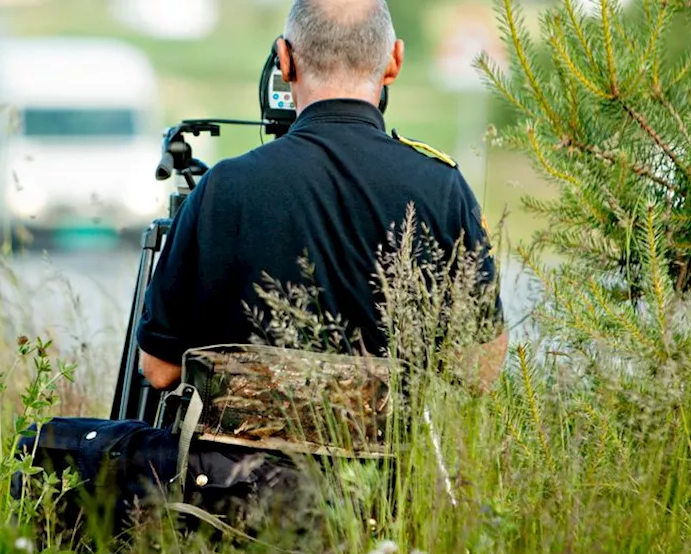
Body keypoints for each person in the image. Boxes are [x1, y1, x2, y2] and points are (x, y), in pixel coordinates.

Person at [136, 0, 508, 392]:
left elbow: (159, 370)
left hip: (232, 454)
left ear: (284, 59)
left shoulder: (222, 187)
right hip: (392, 454)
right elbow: (480, 371)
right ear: (394, 61)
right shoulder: (442, 188)